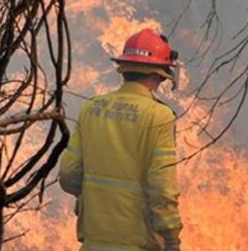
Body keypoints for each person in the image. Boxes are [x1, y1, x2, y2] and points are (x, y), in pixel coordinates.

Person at [59, 29, 182, 250]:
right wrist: (172, 238)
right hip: (138, 243)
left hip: (94, 242)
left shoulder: (91, 108)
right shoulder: (159, 116)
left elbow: (68, 175)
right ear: (159, 74)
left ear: (124, 68)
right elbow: (162, 187)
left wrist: (94, 198)